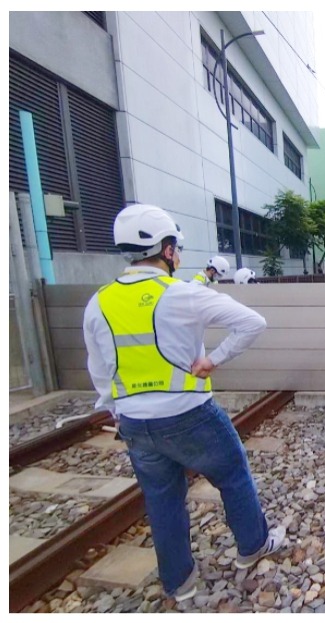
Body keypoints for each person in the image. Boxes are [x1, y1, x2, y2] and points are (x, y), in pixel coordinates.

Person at [82, 204, 285, 602]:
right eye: (175, 247)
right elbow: (252, 323)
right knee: (233, 475)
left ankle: (179, 583)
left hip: (135, 423)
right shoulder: (182, 294)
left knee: (161, 500)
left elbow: (99, 369)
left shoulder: (98, 303)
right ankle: (252, 546)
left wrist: (117, 412)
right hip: (189, 413)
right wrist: (214, 360)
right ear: (167, 249)